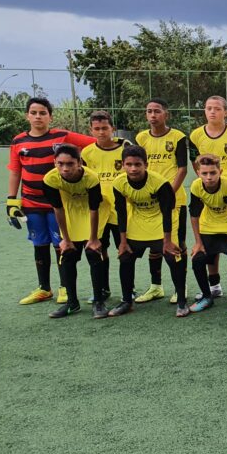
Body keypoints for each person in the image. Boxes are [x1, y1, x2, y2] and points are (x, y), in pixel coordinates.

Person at [6, 96, 94, 305]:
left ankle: (65, 287)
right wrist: (11, 200)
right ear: (27, 115)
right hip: (31, 203)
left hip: (58, 204)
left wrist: (117, 143)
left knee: (61, 244)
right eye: (34, 112)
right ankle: (44, 288)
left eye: (42, 113)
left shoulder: (62, 136)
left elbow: (94, 144)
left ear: (50, 116)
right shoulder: (18, 141)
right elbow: (15, 172)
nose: (38, 116)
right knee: (39, 244)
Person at [107, 145, 188, 317]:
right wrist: (122, 242)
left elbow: (167, 212)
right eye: (129, 164)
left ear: (146, 164)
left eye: (138, 164)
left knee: (173, 256)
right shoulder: (119, 183)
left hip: (162, 221)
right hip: (138, 222)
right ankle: (126, 301)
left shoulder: (160, 183)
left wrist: (167, 241)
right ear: (123, 165)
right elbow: (121, 213)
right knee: (125, 257)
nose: (133, 168)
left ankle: (182, 301)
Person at [189, 95, 227, 301]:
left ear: (225, 112)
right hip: (209, 197)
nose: (212, 112)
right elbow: (195, 163)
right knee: (210, 245)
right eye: (208, 108)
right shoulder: (196, 135)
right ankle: (214, 286)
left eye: (217, 108)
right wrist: (208, 182)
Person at [41, 145, 111, 319]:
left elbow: (94, 209)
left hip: (93, 213)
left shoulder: (91, 178)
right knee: (67, 255)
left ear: (79, 162)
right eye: (60, 163)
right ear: (54, 162)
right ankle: (72, 303)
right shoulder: (50, 179)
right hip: (70, 212)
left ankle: (99, 302)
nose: (65, 168)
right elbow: (57, 209)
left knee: (93, 253)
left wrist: (93, 238)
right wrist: (65, 238)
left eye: (70, 164)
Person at [135, 98, 189, 303]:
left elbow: (182, 169)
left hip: (174, 200)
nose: (152, 115)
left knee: (177, 243)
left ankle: (180, 287)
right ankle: (156, 286)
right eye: (149, 111)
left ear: (166, 114)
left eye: (157, 111)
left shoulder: (178, 137)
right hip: (146, 199)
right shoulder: (141, 138)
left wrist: (168, 194)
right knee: (153, 244)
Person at [188, 154, 227, 314]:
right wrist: (198, 242)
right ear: (198, 173)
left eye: (213, 173)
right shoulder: (195, 186)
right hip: (209, 226)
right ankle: (207, 297)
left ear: (220, 171)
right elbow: (194, 214)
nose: (209, 177)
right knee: (198, 258)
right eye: (205, 173)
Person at [81, 110, 128, 304]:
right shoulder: (87, 153)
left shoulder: (126, 147)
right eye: (97, 129)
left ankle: (129, 289)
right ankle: (103, 288)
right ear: (91, 130)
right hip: (98, 209)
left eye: (105, 128)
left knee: (124, 249)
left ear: (113, 129)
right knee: (99, 249)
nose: (101, 132)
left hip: (121, 208)